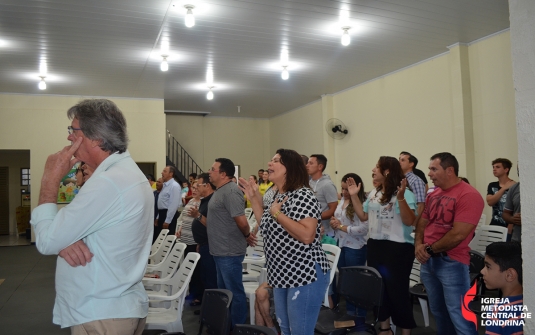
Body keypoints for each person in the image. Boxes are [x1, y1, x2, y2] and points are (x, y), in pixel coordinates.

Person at [30, 99, 153, 334]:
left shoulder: (109, 182)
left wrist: (49, 180)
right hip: (111, 308)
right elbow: (62, 234)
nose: (69, 137)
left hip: (102, 312)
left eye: (73, 130)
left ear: (96, 138)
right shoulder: (120, 174)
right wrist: (64, 237)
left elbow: (46, 240)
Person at [240, 148, 330, 335]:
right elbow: (265, 224)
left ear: (289, 168)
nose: (269, 164)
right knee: (286, 329)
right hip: (281, 272)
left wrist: (277, 214)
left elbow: (307, 236)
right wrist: (253, 198)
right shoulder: (277, 195)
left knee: (300, 331)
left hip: (305, 272)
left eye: (276, 161)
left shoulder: (303, 195)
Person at [415, 152, 484, 335]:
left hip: (452, 262)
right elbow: (422, 221)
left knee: (459, 315)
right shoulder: (434, 194)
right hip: (428, 261)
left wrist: (428, 249)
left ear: (450, 170)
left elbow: (458, 234)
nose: (429, 173)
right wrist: (418, 246)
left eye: (433, 169)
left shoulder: (469, 195)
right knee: (439, 312)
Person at [350, 156, 417, 335]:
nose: (373, 170)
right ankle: (385, 329)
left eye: (377, 167)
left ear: (386, 171)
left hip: (398, 249)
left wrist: (401, 198)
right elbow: (364, 216)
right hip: (376, 246)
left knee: (398, 292)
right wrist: (354, 195)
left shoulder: (404, 193)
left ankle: (405, 331)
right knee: (379, 290)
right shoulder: (374, 193)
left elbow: (410, 221)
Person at [207, 158, 255, 328]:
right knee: (225, 293)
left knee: (234, 292)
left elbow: (241, 221)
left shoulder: (231, 191)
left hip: (229, 252)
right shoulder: (220, 190)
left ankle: (238, 328)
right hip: (219, 252)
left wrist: (247, 234)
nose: (209, 172)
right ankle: (226, 326)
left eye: (212, 169)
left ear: (223, 174)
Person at [329, 173, 368, 318]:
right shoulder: (343, 201)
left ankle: (359, 315)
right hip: (342, 245)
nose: (344, 192)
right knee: (346, 283)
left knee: (355, 283)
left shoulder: (362, 203)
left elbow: (363, 229)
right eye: (342, 189)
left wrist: (341, 227)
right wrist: (334, 224)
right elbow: (338, 220)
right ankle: (350, 313)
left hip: (355, 247)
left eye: (347, 189)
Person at [188, 173, 218, 314]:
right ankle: (207, 310)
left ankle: (213, 314)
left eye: (198, 185)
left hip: (211, 246)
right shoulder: (205, 200)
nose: (196, 188)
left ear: (206, 186)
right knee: (205, 279)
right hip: (204, 244)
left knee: (211, 280)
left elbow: (213, 225)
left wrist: (197, 216)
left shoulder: (213, 201)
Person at [481, 241, 523, 335]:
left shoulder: (496, 311)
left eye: (488, 267)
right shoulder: (529, 304)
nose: (482, 271)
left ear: (509, 275)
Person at [176, 181, 202, 305]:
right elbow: (184, 217)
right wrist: (180, 229)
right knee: (189, 268)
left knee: (196, 270)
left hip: (193, 240)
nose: (195, 190)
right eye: (193, 188)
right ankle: (192, 292)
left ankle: (196, 294)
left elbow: (200, 220)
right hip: (185, 239)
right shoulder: (191, 201)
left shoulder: (202, 202)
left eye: (197, 188)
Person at [306, 154, 338, 238]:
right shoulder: (308, 183)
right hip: (310, 229)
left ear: (320, 167)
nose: (307, 165)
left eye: (311, 163)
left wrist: (313, 217)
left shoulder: (327, 185)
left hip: (325, 232)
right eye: (307, 163)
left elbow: (333, 210)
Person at [486, 158, 516, 240]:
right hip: (494, 225)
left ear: (506, 169)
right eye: (493, 167)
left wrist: (511, 226)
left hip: (509, 227)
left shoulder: (514, 186)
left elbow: (516, 208)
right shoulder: (492, 185)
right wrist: (503, 189)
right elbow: (490, 202)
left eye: (498, 167)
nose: (494, 169)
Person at [399, 151, 427, 222]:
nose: (399, 162)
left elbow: (420, 205)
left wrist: (414, 224)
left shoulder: (415, 181)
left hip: (411, 221)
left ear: (411, 164)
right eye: (399, 159)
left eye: (402, 160)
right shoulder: (401, 179)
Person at [156, 165, 182, 236]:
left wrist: (167, 221)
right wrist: (158, 217)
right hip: (162, 214)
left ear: (171, 174)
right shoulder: (165, 186)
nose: (162, 173)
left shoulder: (174, 186)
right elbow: (162, 203)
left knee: (167, 238)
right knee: (160, 238)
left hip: (168, 215)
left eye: (164, 171)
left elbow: (173, 205)